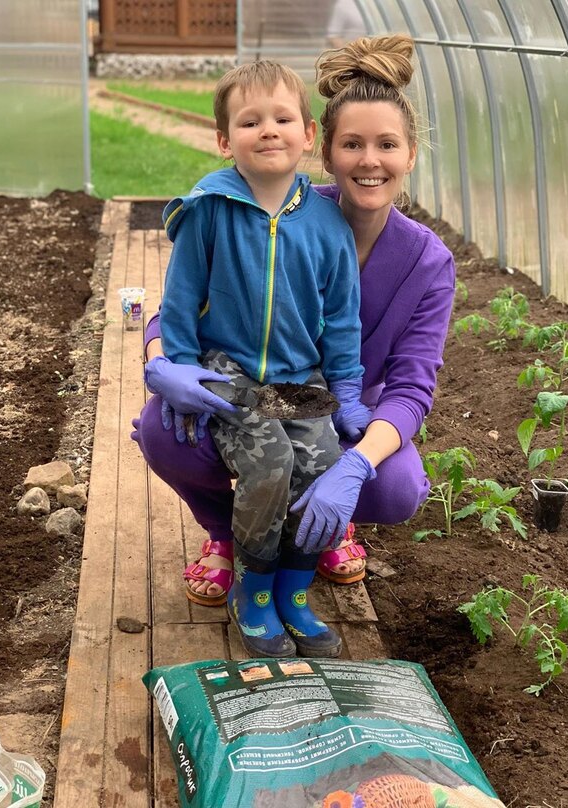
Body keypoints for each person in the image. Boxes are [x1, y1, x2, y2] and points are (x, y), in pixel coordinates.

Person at [131, 34, 455, 624]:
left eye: (387, 145)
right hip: (251, 388)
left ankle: (322, 526)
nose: (369, 160)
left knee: (396, 485)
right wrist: (160, 362)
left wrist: (355, 461)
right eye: (352, 144)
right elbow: (184, 301)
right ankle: (227, 537)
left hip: (350, 408)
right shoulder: (279, 210)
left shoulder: (427, 263)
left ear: (411, 154)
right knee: (164, 431)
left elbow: (412, 388)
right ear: (324, 150)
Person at [143, 60, 371, 659]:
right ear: (225, 140)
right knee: (268, 465)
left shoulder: (328, 223)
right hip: (230, 374)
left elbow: (343, 316)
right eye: (250, 121)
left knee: (319, 463)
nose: (268, 130)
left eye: (282, 118)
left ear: (307, 134)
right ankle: (255, 593)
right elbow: (182, 295)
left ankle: (295, 591)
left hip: (301, 378)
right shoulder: (209, 210)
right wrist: (181, 368)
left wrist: (345, 389)